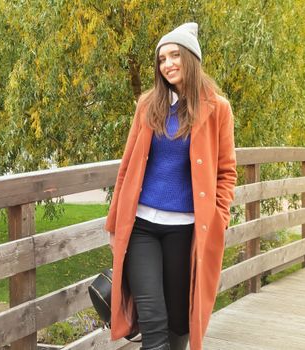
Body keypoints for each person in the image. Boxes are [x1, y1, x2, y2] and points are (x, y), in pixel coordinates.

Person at [104, 22, 237, 350]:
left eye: (175, 55)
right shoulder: (148, 104)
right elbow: (126, 168)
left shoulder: (217, 109)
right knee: (152, 319)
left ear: (191, 58)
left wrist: (219, 218)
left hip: (186, 230)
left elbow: (226, 172)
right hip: (142, 228)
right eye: (162, 59)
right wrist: (114, 223)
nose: (167, 64)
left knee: (179, 322)